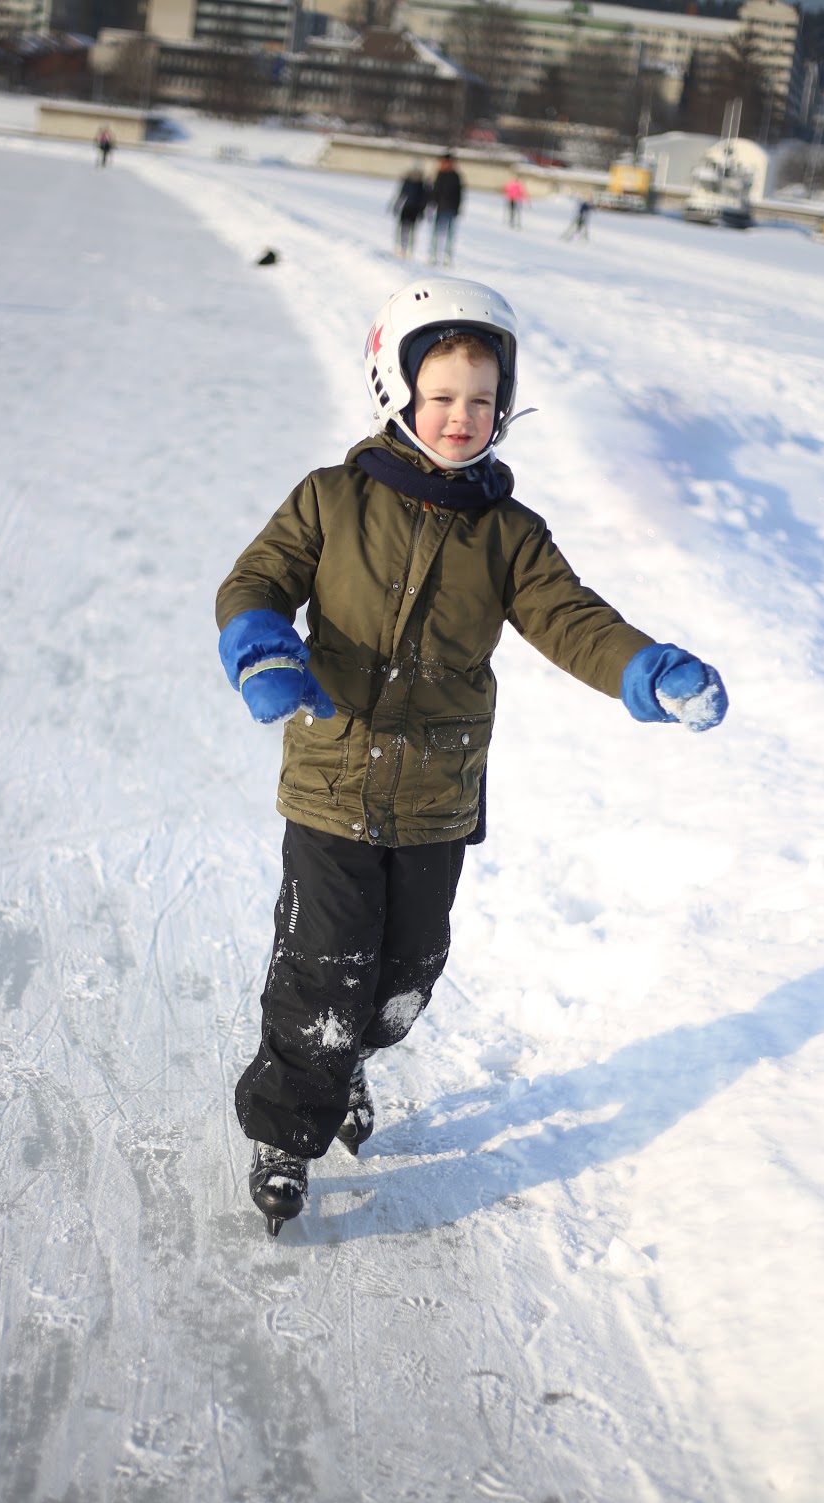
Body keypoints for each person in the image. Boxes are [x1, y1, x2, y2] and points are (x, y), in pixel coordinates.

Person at [215, 276, 728, 1235]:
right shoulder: (332, 499)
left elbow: (569, 619)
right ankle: (286, 1133)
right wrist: (262, 645)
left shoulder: (509, 535)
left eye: (482, 400)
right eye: (442, 395)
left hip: (435, 797)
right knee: (323, 973)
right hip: (331, 784)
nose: (461, 417)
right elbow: (258, 579)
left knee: (403, 978)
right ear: (396, 389)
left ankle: (350, 1060)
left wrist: (645, 668)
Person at [428, 152, 463, 266]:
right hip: (440, 208)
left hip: (451, 208)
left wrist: (457, 208)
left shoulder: (456, 176)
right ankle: (433, 255)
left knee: (450, 234)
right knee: (436, 233)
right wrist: (431, 204)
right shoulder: (440, 174)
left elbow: (459, 194)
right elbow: (435, 191)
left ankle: (447, 256)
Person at [390, 167, 429, 258]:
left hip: (414, 210)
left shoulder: (422, 185)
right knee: (401, 228)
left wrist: (421, 211)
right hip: (407, 208)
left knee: (411, 230)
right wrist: (397, 206)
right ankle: (399, 247)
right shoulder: (409, 183)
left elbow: (424, 199)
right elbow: (402, 195)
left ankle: (408, 249)